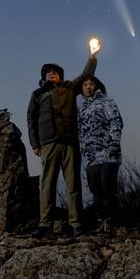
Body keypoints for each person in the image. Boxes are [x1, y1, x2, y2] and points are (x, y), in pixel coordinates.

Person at [27, 45, 99, 238]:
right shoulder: (37, 94)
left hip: (69, 143)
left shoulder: (69, 88)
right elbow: (31, 120)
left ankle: (76, 223)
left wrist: (92, 58)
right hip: (48, 143)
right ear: (44, 76)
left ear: (60, 75)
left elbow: (86, 74)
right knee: (47, 185)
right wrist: (35, 143)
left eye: (55, 72)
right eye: (49, 72)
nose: (52, 74)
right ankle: (44, 224)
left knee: (73, 185)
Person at [78, 75, 123, 234]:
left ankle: (113, 224)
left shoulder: (106, 101)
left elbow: (116, 121)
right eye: (85, 84)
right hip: (91, 158)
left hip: (107, 154)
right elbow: (80, 131)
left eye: (91, 84)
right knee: (95, 190)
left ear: (97, 87)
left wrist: (113, 143)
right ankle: (100, 224)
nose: (88, 87)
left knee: (107, 189)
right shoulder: (81, 107)